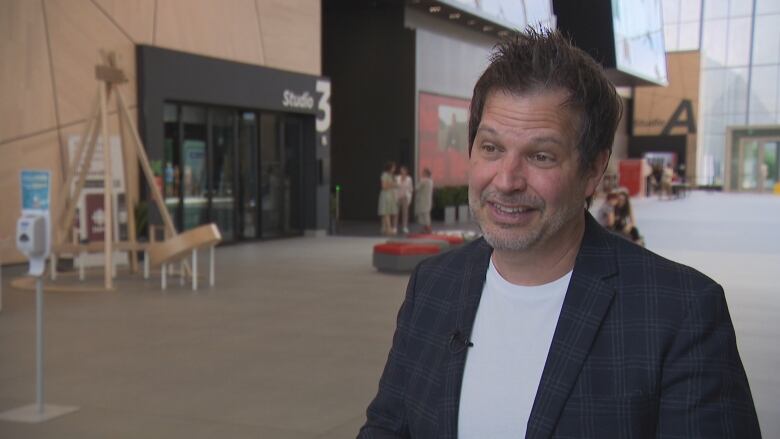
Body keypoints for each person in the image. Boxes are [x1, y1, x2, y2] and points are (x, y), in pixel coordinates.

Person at [359, 29, 759, 438]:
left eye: (541, 155)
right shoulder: (433, 285)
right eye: (491, 148)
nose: (507, 179)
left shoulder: (680, 312)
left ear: (592, 171)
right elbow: (388, 427)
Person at [378, 162, 398, 235]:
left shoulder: (391, 175)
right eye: (393, 167)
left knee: (388, 212)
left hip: (390, 195)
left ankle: (385, 229)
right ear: (390, 167)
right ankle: (388, 229)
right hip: (386, 195)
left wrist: (393, 184)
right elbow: (384, 186)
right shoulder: (385, 175)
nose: (394, 169)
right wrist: (392, 184)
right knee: (386, 212)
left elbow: (396, 185)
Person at [414, 168, 434, 233]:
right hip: (427, 200)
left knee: (423, 215)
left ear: (426, 174)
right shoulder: (430, 181)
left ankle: (426, 229)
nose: (422, 174)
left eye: (423, 172)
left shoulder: (423, 180)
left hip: (422, 200)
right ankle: (426, 229)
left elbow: (416, 188)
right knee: (426, 215)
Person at [396, 165, 414, 234]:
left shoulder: (409, 179)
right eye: (401, 170)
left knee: (405, 213)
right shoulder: (397, 178)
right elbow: (395, 187)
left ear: (406, 171)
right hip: (397, 197)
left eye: (403, 170)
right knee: (396, 213)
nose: (402, 171)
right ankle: (395, 227)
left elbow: (411, 189)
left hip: (405, 197)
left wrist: (409, 196)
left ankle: (405, 227)